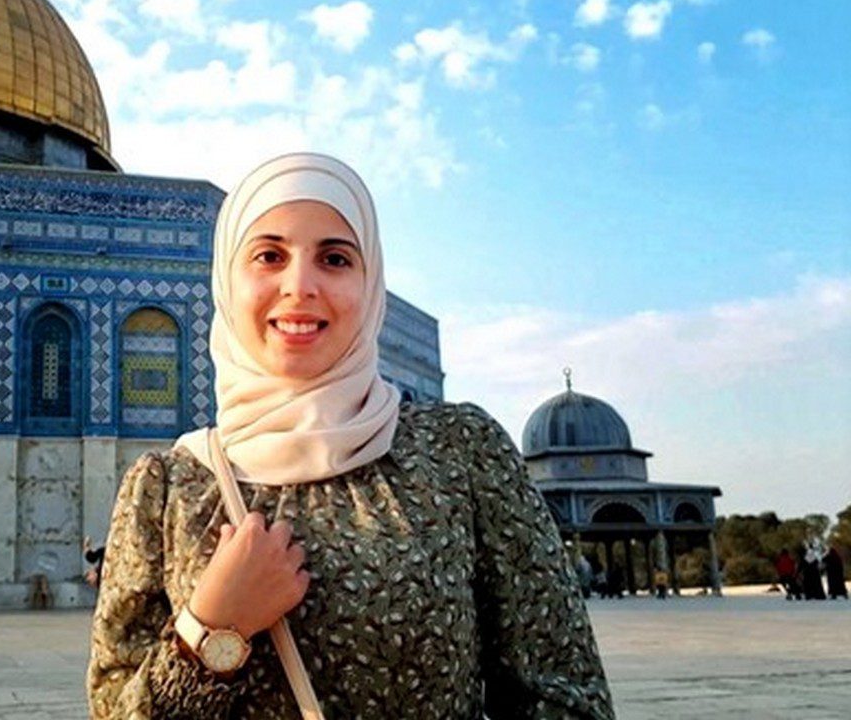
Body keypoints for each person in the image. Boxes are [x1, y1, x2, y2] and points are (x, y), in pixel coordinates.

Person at [87, 153, 614, 718]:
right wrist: (213, 629)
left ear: (371, 287)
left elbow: (562, 692)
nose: (300, 286)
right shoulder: (167, 488)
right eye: (269, 256)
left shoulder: (460, 452)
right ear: (224, 280)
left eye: (335, 259)